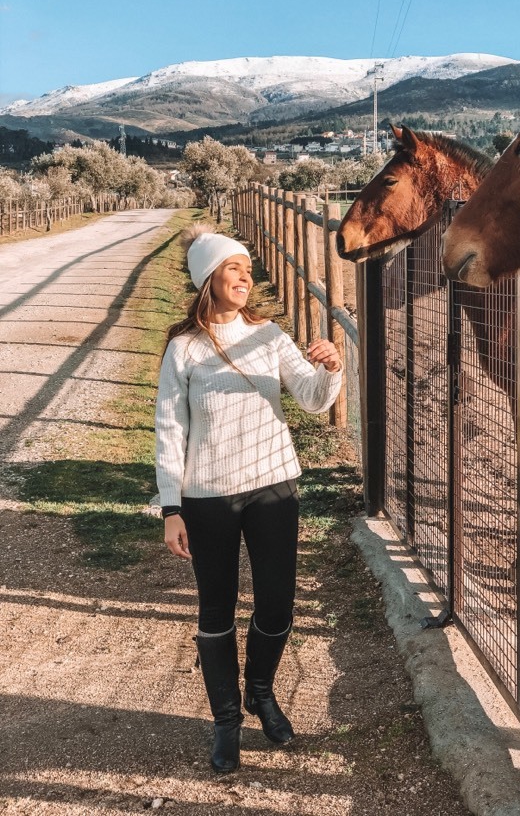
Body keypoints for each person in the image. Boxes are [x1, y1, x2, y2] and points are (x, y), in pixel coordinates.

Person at [155, 225, 342, 774]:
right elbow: (169, 428)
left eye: (247, 268)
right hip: (207, 495)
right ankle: (226, 721)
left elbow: (310, 399)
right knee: (216, 610)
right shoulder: (183, 348)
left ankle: (262, 692)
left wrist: (331, 368)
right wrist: (171, 508)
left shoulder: (268, 336)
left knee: (278, 602)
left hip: (273, 486)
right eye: (233, 268)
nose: (246, 276)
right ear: (209, 280)